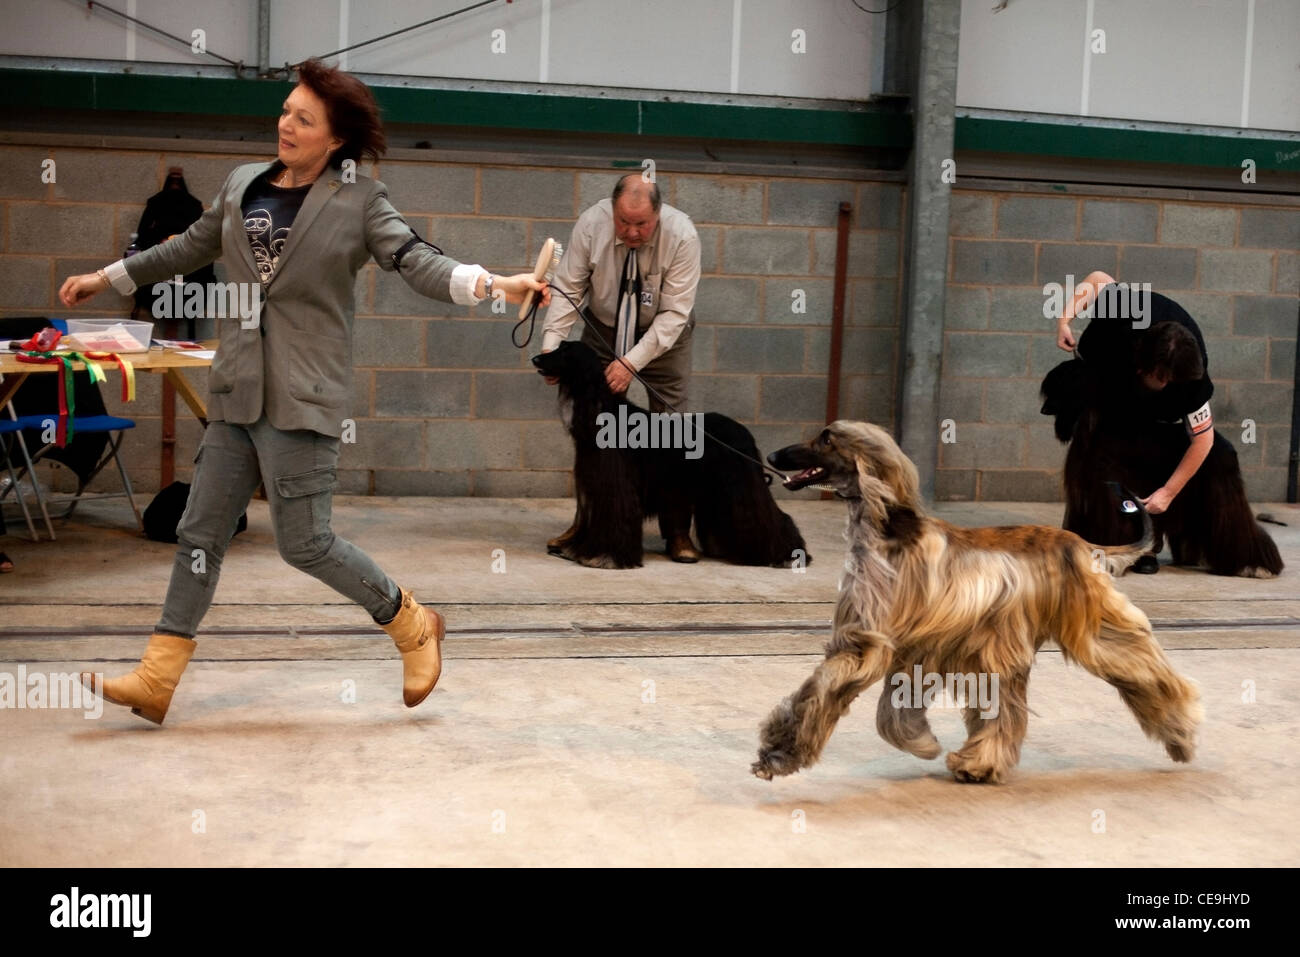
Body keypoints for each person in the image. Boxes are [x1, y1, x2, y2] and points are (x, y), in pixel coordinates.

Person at [58, 59, 549, 724]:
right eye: (287, 111)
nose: (285, 124)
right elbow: (188, 247)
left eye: (304, 119)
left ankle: (411, 622)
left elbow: (415, 259)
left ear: (335, 139)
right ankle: (157, 676)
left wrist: (493, 284)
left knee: (305, 542)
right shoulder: (239, 184)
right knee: (199, 529)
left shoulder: (360, 199)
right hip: (238, 386)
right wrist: (108, 275)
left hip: (303, 391)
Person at [1041, 270, 1282, 577]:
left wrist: (1168, 492)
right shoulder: (1131, 310)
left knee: (1222, 455)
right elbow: (1099, 280)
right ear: (1145, 366)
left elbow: (1202, 440)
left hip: (1156, 413)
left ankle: (1236, 553)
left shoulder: (1191, 375)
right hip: (1106, 386)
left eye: (1173, 381)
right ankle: (1119, 547)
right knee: (1106, 455)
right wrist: (1065, 319)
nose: (1168, 384)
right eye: (1163, 379)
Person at [539, 173, 702, 561]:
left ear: (658, 214)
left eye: (641, 224)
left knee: (671, 431)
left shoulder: (683, 236)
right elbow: (567, 292)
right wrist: (551, 353)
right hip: (604, 327)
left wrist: (630, 363)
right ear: (612, 212)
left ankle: (677, 531)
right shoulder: (590, 225)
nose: (631, 232)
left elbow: (675, 314)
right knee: (594, 430)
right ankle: (590, 522)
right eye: (623, 222)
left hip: (664, 333)